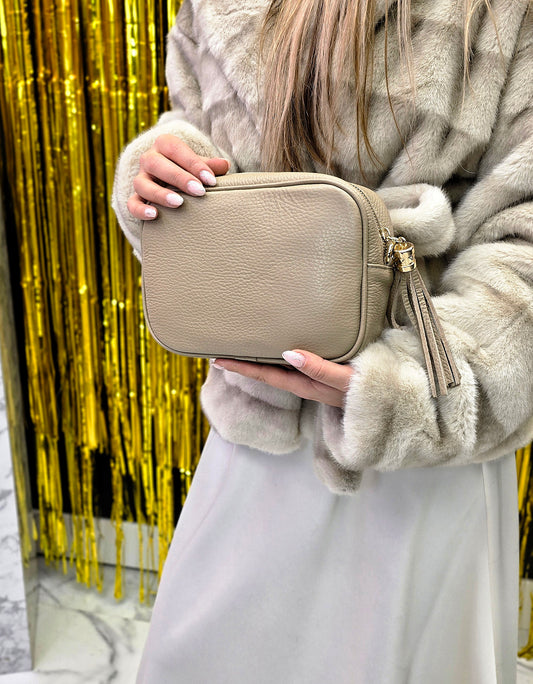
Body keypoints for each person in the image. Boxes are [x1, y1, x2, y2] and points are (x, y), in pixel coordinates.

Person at [112, 1, 533, 681]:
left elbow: (523, 241)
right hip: (256, 422)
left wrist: (405, 392)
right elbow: (196, 134)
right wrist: (162, 175)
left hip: (414, 446)